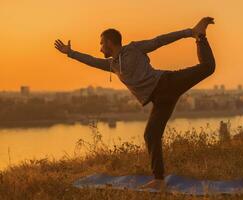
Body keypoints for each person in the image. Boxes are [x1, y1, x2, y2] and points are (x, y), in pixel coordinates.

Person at [54, 16, 216, 190]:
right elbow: (92, 61)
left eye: (101, 43)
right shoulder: (113, 65)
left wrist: (189, 33)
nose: (100, 48)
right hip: (160, 100)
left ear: (110, 42)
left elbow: (159, 41)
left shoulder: (133, 49)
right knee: (151, 135)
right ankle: (159, 180)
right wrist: (71, 53)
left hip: (167, 83)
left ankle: (200, 36)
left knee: (208, 67)